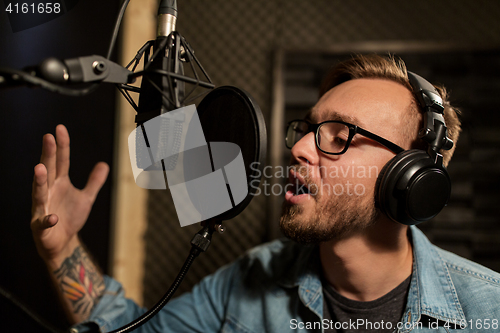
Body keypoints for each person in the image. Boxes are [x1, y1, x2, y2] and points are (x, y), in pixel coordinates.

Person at [31, 55, 500, 333]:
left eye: (338, 135)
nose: (296, 148)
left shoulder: (489, 310)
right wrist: (62, 248)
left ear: (410, 177)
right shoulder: (247, 281)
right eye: (308, 128)